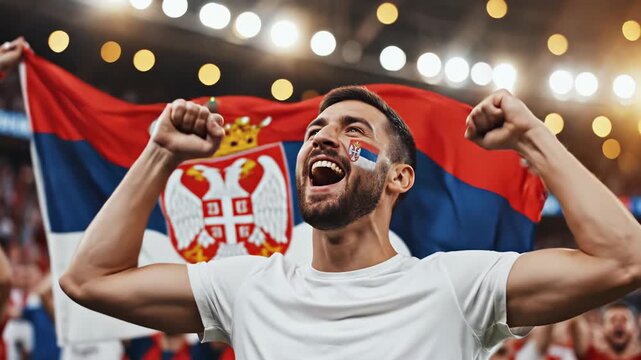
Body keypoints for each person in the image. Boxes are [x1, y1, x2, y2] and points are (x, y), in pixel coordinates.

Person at [4, 37, 641, 359]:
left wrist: (534, 140)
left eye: (353, 131)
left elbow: (625, 260)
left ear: (398, 177)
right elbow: (88, 279)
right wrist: (160, 153)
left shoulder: (460, 286)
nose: (322, 139)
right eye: (315, 132)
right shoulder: (246, 286)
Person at [569, 302, 641, 359]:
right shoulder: (590, 353)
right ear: (602, 327)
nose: (618, 324)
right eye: (613, 320)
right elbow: (575, 321)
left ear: (635, 328)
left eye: (624, 320)